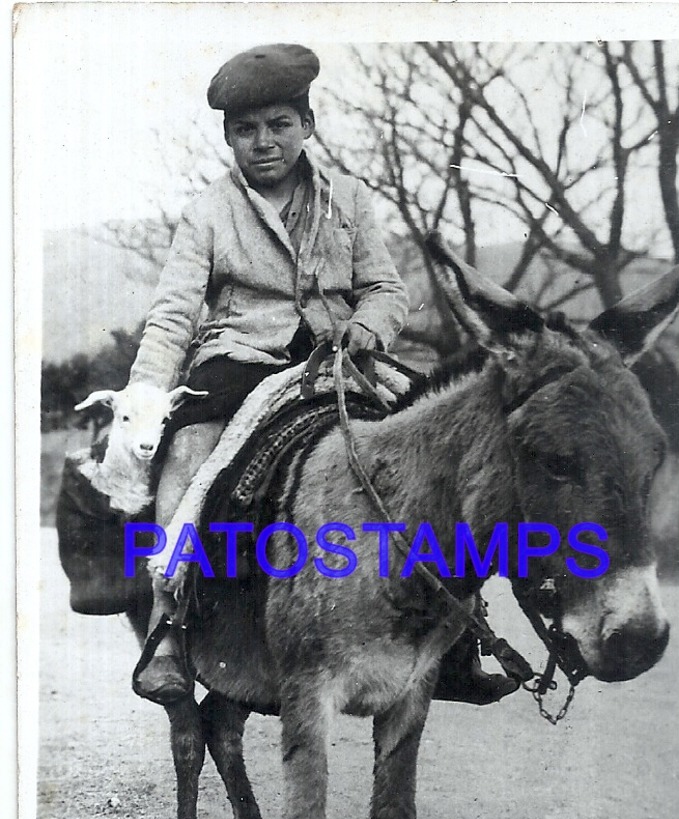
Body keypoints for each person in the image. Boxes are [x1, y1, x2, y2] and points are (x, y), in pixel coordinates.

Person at [129, 43, 514, 708]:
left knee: (443, 446)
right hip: (240, 364)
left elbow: (386, 289)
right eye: (246, 130)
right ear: (228, 138)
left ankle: (461, 635)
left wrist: (368, 327)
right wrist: (145, 389)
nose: (264, 143)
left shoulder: (351, 200)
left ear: (307, 126)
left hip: (345, 365)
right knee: (190, 451)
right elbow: (170, 315)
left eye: (279, 125)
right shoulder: (208, 214)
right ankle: (169, 625)